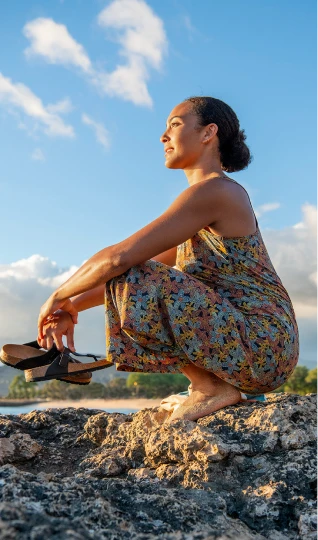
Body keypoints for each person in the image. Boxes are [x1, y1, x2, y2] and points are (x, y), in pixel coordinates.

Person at [37, 96, 299, 422]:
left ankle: (209, 388)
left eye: (174, 124)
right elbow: (136, 270)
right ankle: (216, 385)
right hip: (259, 350)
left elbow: (120, 259)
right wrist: (72, 305)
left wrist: (57, 296)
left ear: (208, 133)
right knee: (137, 271)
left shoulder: (216, 191)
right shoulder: (203, 207)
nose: (163, 136)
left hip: (263, 345)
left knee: (132, 268)